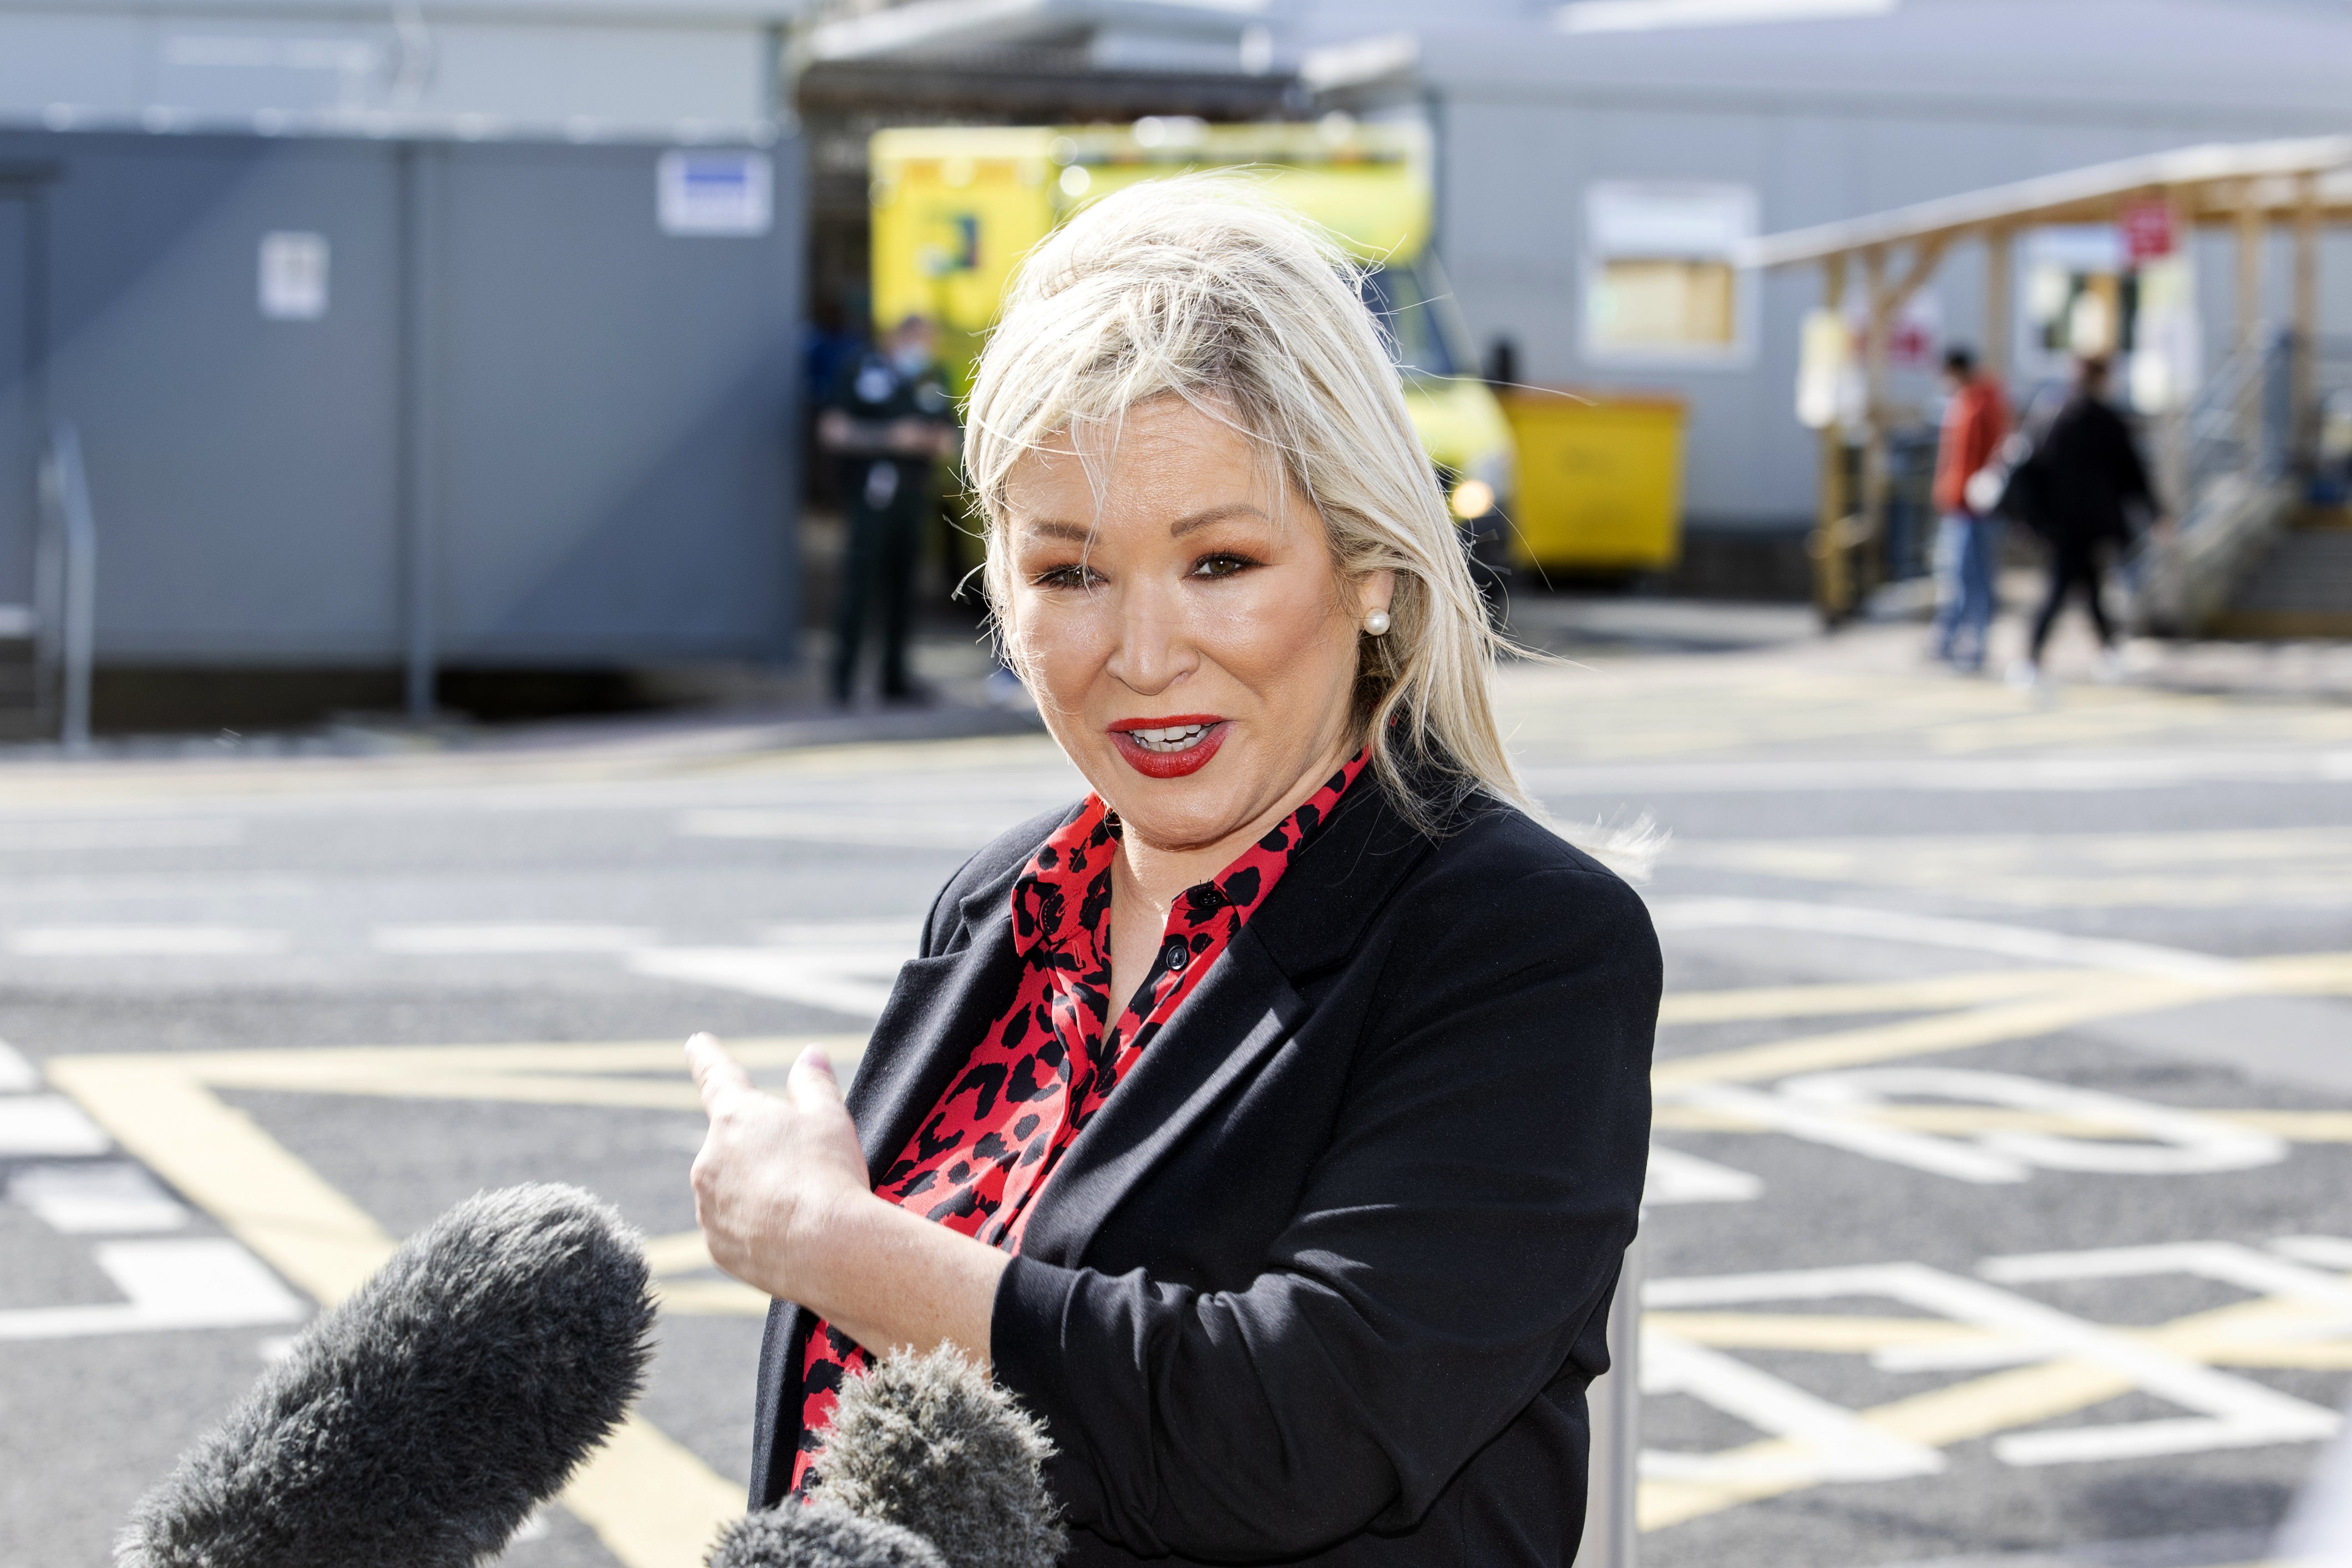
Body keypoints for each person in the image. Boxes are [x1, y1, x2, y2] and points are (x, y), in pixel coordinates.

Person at [686, 177, 1659, 1565]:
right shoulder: (994, 906)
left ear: (1371, 565)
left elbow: (1289, 1428)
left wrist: (823, 1237)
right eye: (1070, 573)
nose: (1141, 654)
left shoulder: (1523, 939)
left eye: (1218, 560)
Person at [819, 314, 957, 706]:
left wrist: (933, 441)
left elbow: (949, 433)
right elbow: (833, 429)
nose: (923, 349)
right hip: (870, 493)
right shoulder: (861, 371)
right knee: (859, 584)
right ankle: (842, 680)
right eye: (918, 339)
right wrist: (890, 437)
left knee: (903, 588)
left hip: (913, 495)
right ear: (897, 337)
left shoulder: (932, 377)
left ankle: (894, 678)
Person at [2009, 354, 2161, 688]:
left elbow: (2028, 471)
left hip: (2061, 524)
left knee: (2087, 587)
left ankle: (2103, 653)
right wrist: (2155, 512)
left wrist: (2033, 520)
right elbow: (2133, 473)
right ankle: (2033, 660)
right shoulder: (2104, 420)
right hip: (2087, 523)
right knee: (2066, 588)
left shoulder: (2049, 416)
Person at [1929, 346, 2009, 673]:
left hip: (1972, 504)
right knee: (1964, 573)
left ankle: (1966, 641)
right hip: (1965, 502)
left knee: (1967, 574)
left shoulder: (1976, 404)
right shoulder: (1975, 402)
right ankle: (1955, 638)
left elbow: (1973, 458)